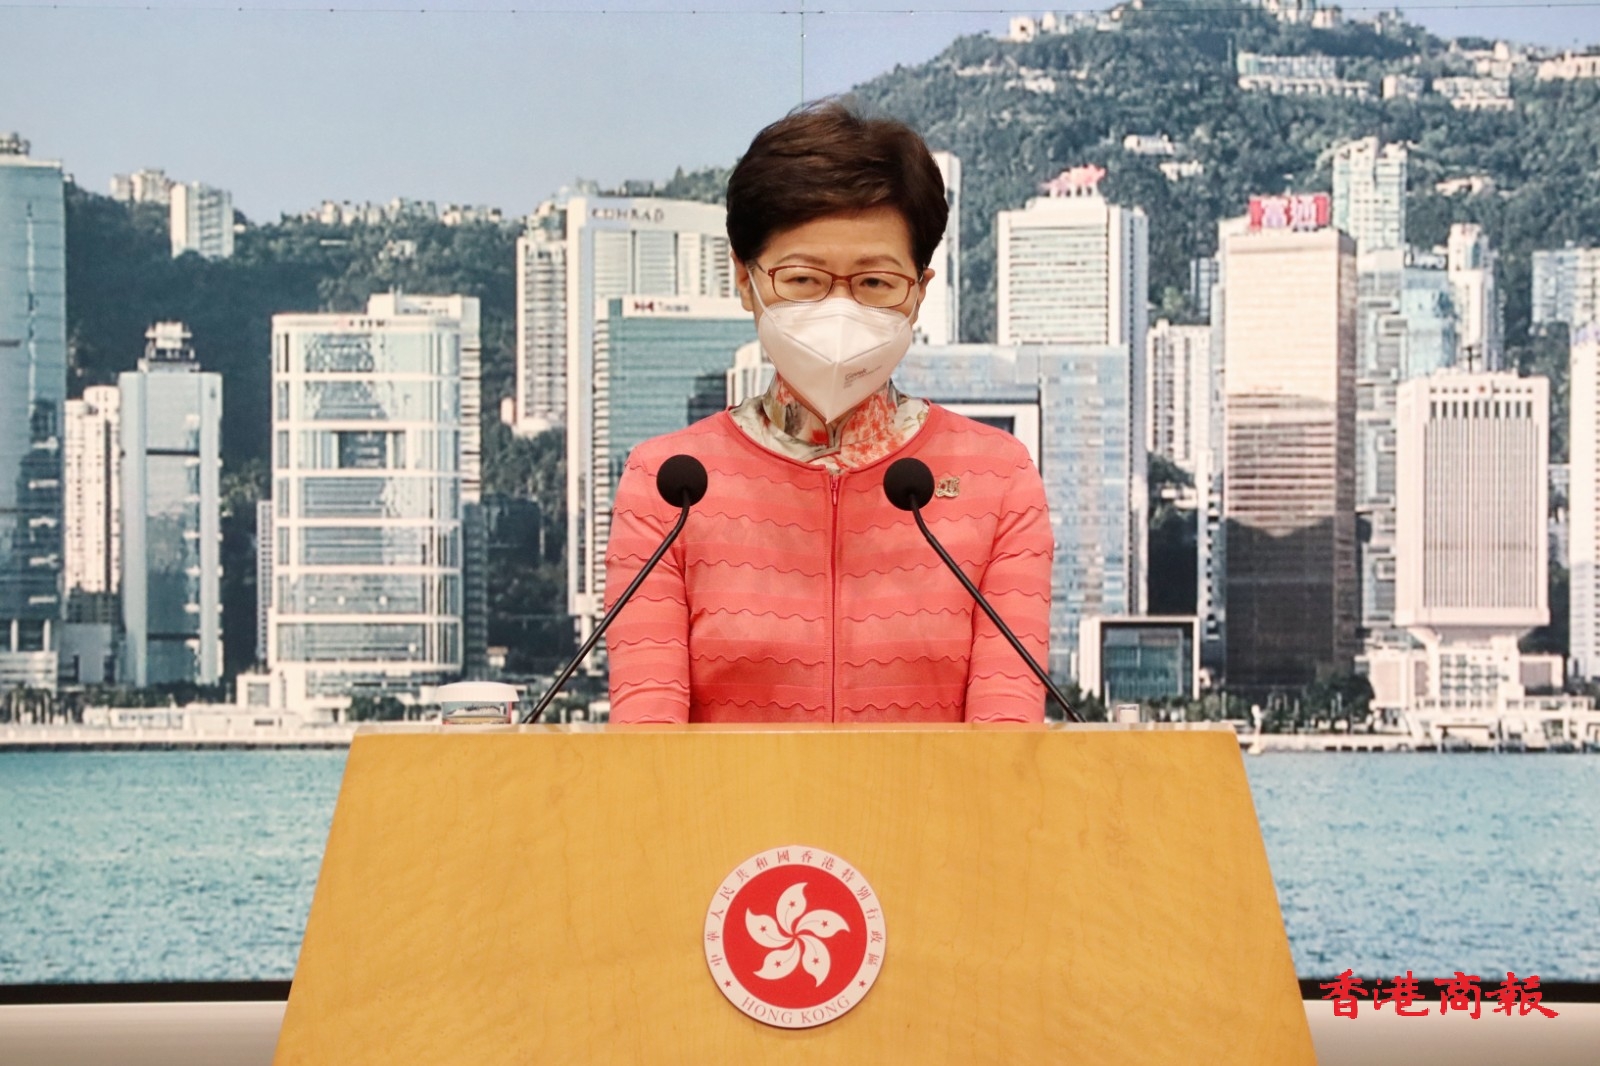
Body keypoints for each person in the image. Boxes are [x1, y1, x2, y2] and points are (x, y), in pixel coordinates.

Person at [604, 100, 1052, 724]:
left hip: (937, 796)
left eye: (875, 283)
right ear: (745, 280)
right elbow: (647, 737)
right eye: (803, 280)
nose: (839, 309)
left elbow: (1005, 736)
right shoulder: (669, 484)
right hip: (725, 797)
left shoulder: (997, 478)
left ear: (918, 292)